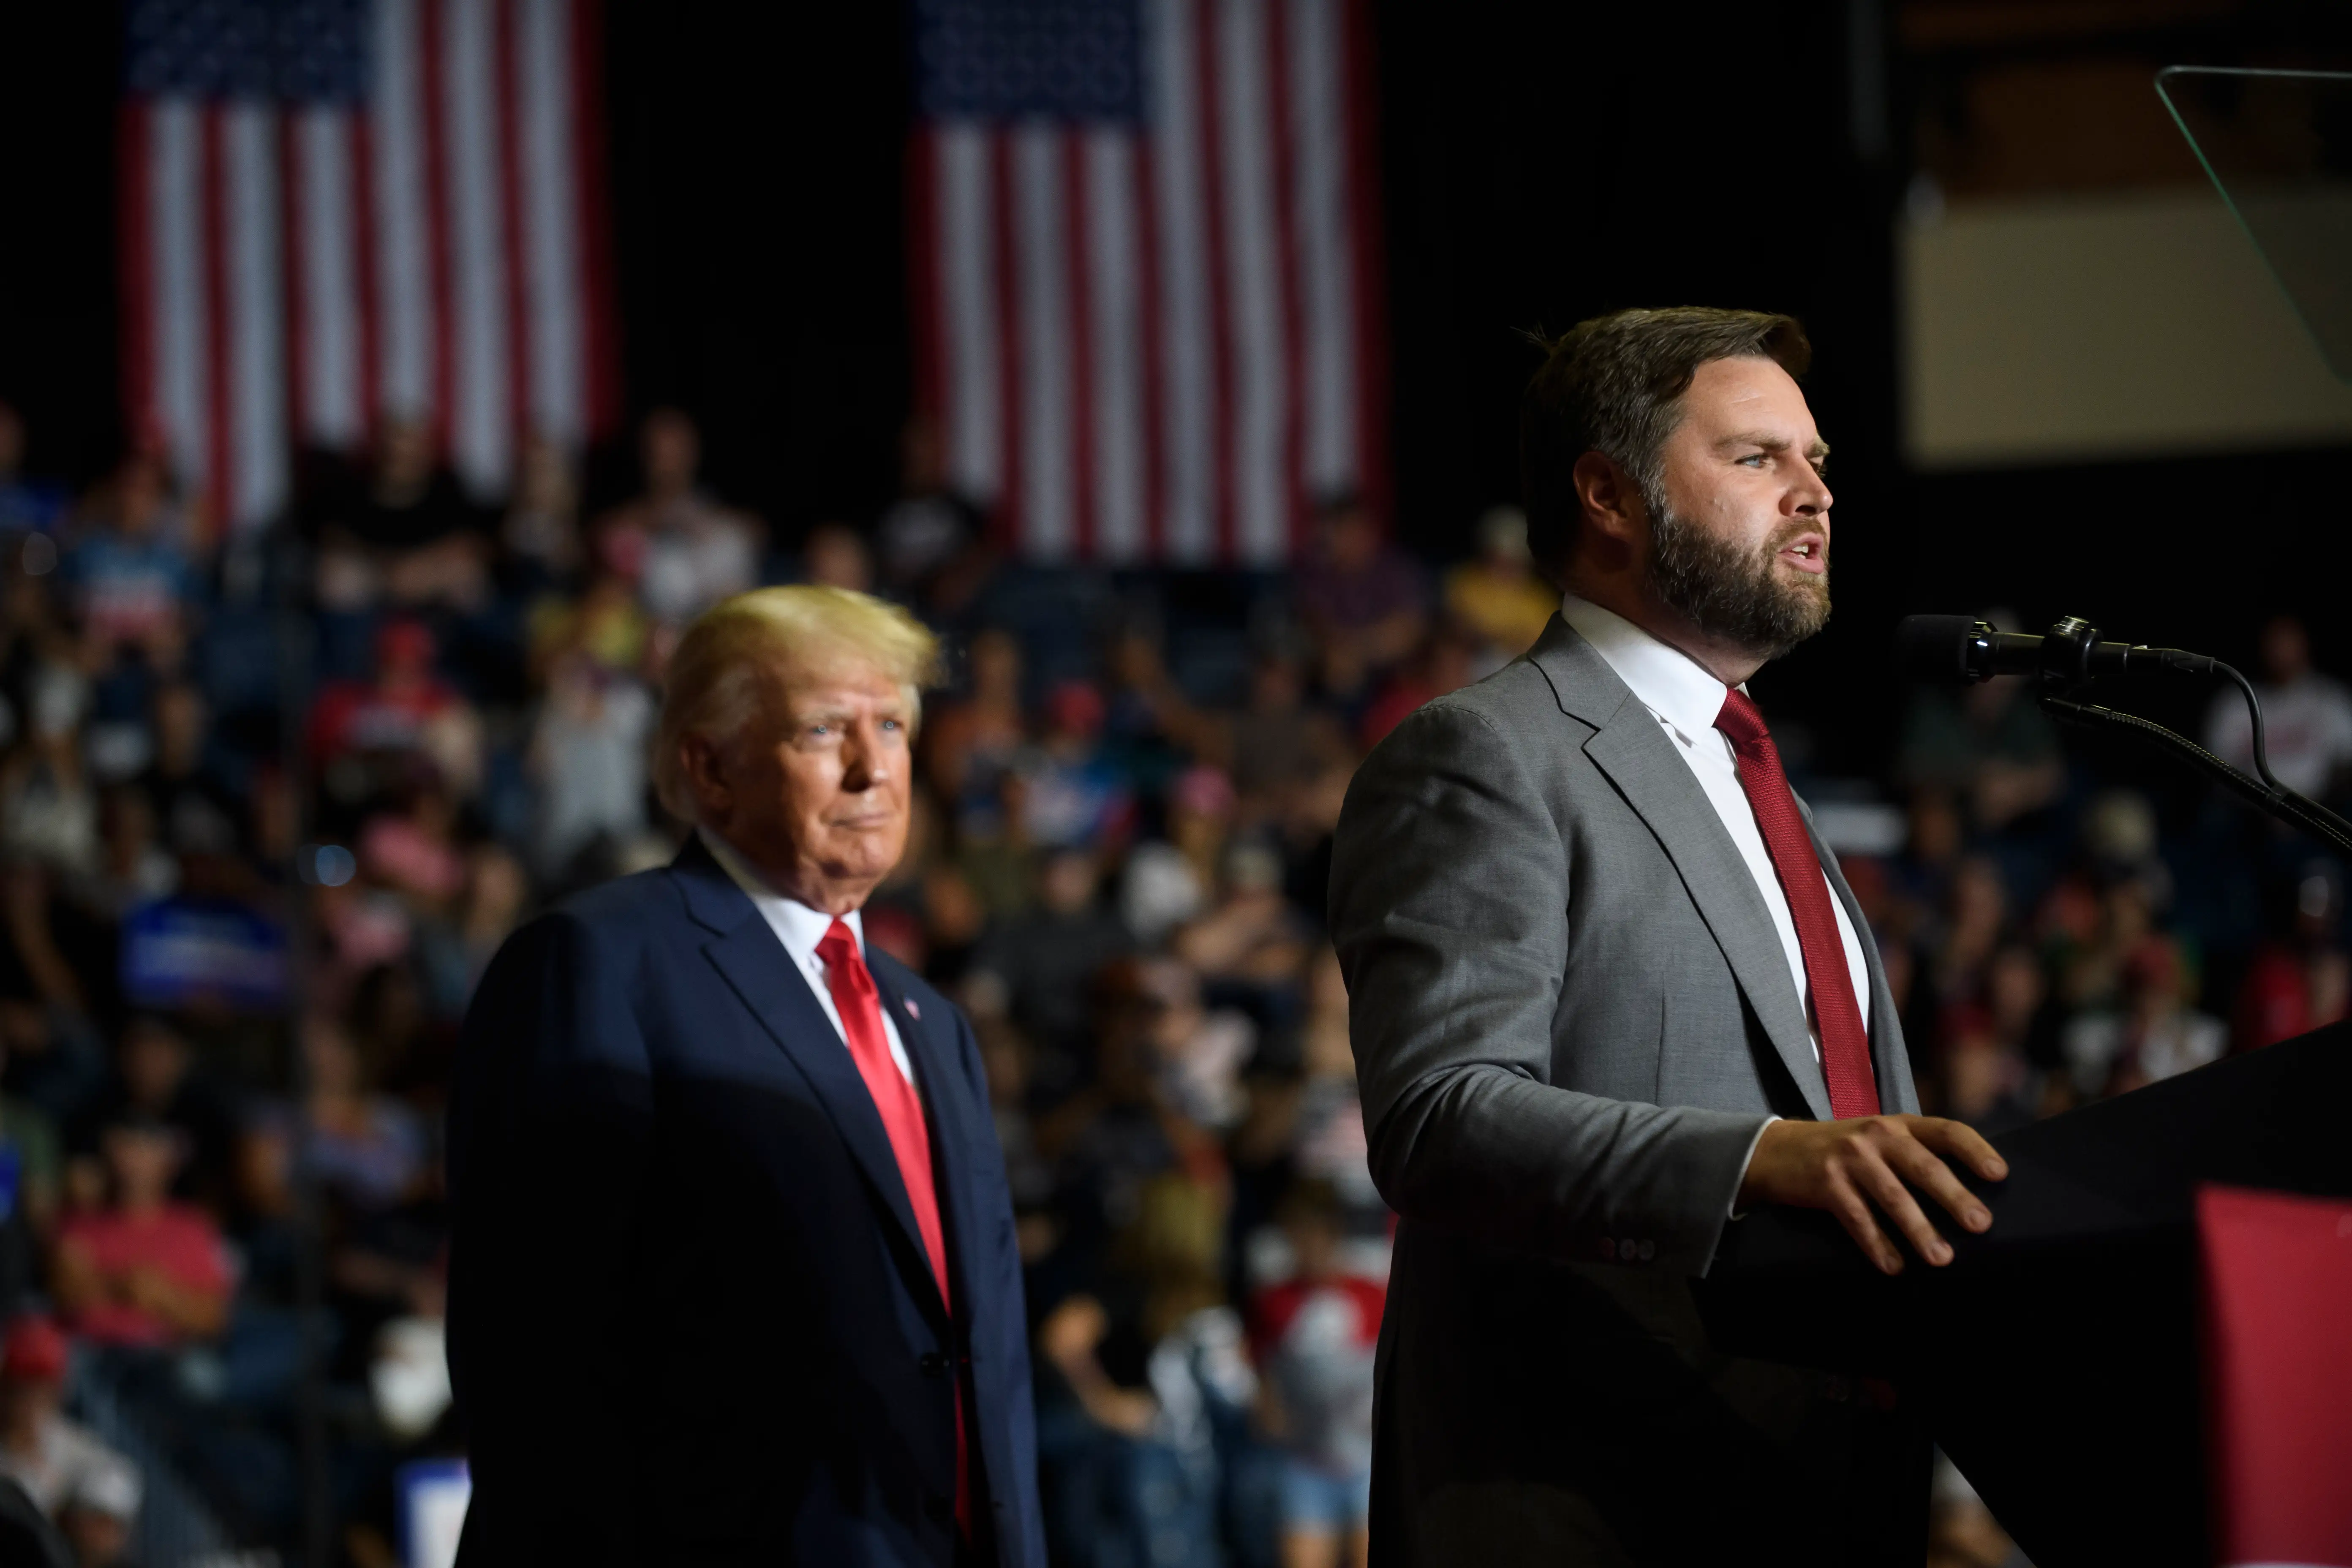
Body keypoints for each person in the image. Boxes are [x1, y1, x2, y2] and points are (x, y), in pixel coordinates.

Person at [1326, 308, 2008, 1566]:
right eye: (1759, 460)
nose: (1815, 494)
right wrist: (1762, 1161)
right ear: (1610, 495)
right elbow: (1438, 1115)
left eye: (1818, 463)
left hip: (1826, 1495)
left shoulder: (1765, 788)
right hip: (1598, 1501)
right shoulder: (1488, 755)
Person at [449, 585, 1044, 1566]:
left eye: (890, 725)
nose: (872, 769)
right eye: (823, 730)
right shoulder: (595, 962)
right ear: (710, 767)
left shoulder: (934, 1026)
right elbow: (536, 1362)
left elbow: (989, 1373)